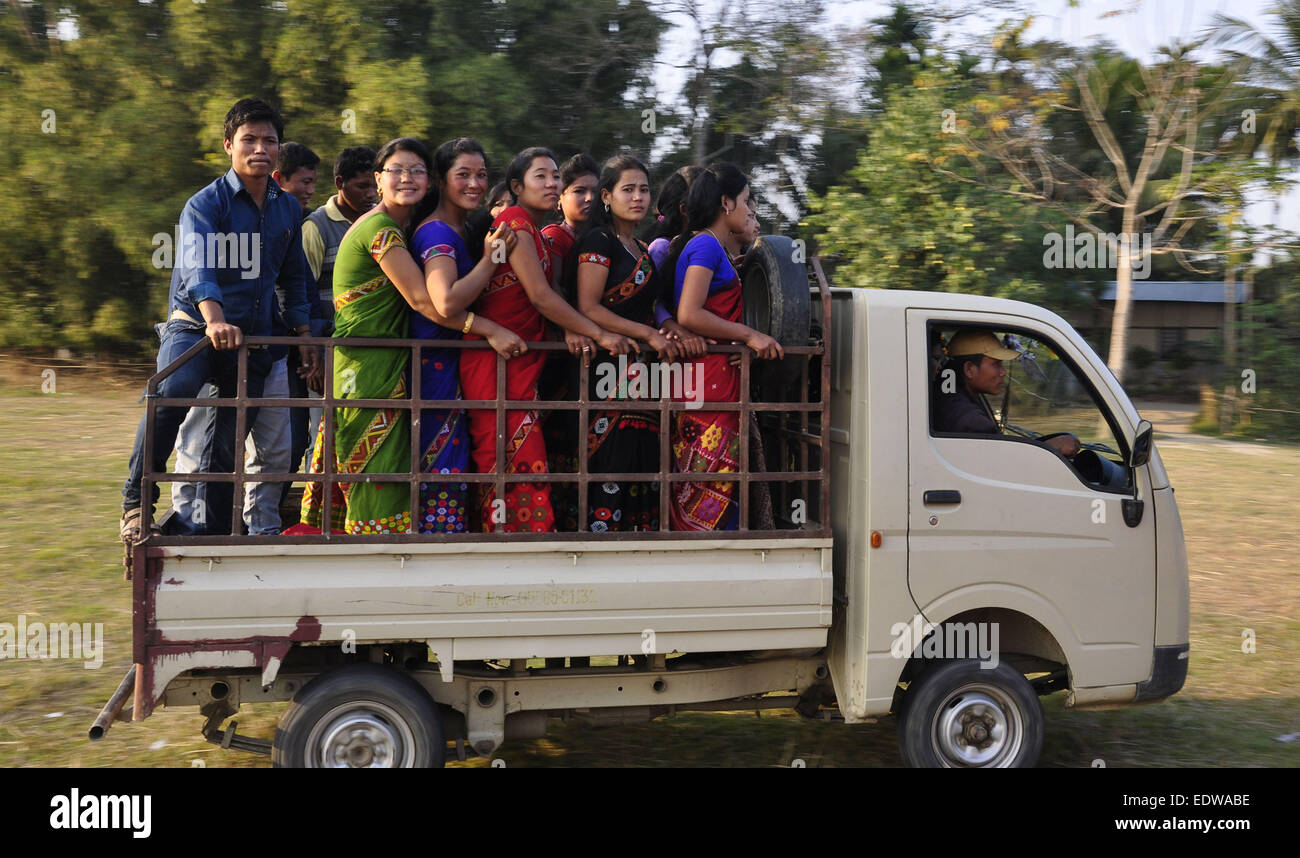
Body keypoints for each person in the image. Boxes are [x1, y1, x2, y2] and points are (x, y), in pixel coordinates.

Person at [120, 98, 315, 545]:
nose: (260, 148)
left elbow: (293, 277)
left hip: (254, 339)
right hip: (196, 326)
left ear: (279, 150)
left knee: (228, 437)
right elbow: (198, 268)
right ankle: (135, 504)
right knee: (171, 395)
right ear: (229, 145)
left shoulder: (287, 209)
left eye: (270, 140)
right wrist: (214, 319)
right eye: (249, 140)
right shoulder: (205, 205)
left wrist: (303, 333)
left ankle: (215, 533)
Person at [297, 138, 514, 534]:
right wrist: (490, 324)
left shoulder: (399, 227)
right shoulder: (383, 229)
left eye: (416, 170)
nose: (406, 178)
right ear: (378, 179)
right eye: (396, 170)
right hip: (367, 367)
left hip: (377, 363)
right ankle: (374, 554)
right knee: (375, 471)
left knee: (381, 466)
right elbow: (429, 302)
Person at [458, 146, 635, 533]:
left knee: (517, 455)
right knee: (507, 456)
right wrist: (598, 332)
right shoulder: (514, 222)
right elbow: (540, 296)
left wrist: (571, 327)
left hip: (518, 361)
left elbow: (551, 289)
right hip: (495, 362)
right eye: (541, 176)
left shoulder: (532, 230)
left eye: (556, 176)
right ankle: (511, 543)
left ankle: (516, 540)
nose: (553, 183)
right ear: (517, 186)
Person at [574, 156, 705, 531]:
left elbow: (651, 305)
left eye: (644, 189)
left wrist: (666, 326)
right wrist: (646, 334)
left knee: (640, 473)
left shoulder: (641, 247)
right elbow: (588, 305)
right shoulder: (599, 240)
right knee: (608, 471)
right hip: (604, 373)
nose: (638, 197)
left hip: (641, 380)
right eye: (627, 190)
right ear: (606, 196)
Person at [409, 137, 525, 533]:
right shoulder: (436, 233)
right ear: (441, 180)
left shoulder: (463, 228)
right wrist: (493, 259)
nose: (475, 183)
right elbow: (446, 301)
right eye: (463, 175)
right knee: (440, 468)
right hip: (433, 369)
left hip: (449, 366)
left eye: (481, 175)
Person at [660, 163, 783, 531]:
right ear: (726, 203)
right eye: (747, 201)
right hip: (708, 380)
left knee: (714, 478)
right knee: (709, 478)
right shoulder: (705, 245)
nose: (751, 211)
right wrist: (749, 335)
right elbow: (690, 313)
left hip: (712, 379)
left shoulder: (711, 247)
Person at [297, 145, 378, 470]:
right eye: (362, 186)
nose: (371, 193)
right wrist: (314, 355)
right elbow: (303, 296)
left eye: (374, 184)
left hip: (369, 355)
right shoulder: (316, 228)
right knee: (324, 437)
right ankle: (317, 511)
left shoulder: (381, 223)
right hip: (329, 356)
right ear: (340, 182)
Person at [933, 328, 1082, 457]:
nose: (1003, 372)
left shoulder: (950, 395)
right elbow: (1004, 464)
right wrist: (1052, 447)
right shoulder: (970, 420)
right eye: (996, 364)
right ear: (969, 369)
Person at [271, 142, 319, 212]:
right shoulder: (255, 217)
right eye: (306, 182)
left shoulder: (313, 220)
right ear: (278, 179)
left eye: (314, 183)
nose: (311, 191)